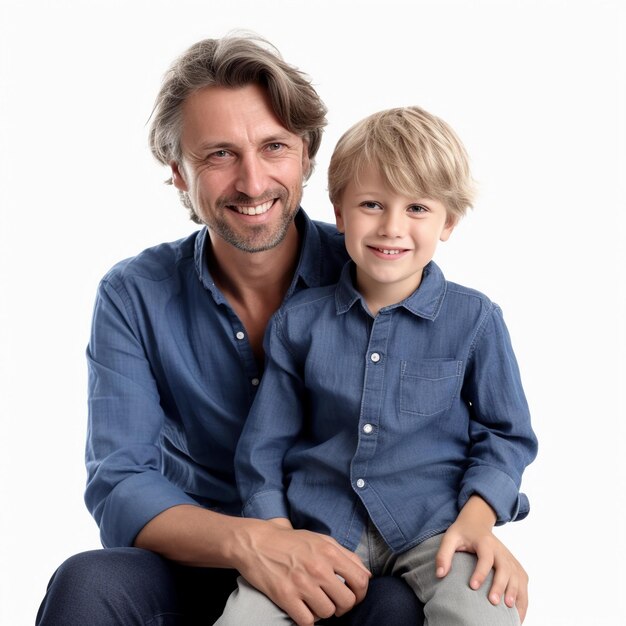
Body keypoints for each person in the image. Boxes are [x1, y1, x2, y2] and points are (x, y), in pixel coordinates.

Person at [36, 35, 528, 625]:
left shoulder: (379, 264)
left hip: (344, 555)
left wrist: (479, 523)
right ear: (177, 172)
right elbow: (120, 484)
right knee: (86, 583)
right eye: (218, 154)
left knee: (398, 605)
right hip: (197, 556)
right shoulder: (133, 294)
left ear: (307, 157)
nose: (251, 181)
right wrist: (257, 543)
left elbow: (485, 430)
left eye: (273, 147)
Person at [216, 106, 538, 626]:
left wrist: (478, 520)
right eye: (371, 204)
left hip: (436, 529)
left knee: (485, 614)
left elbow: (508, 434)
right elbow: (264, 447)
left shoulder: (475, 319)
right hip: (318, 531)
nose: (392, 227)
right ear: (340, 213)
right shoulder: (298, 323)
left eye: (417, 208)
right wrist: (275, 534)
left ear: (448, 221)